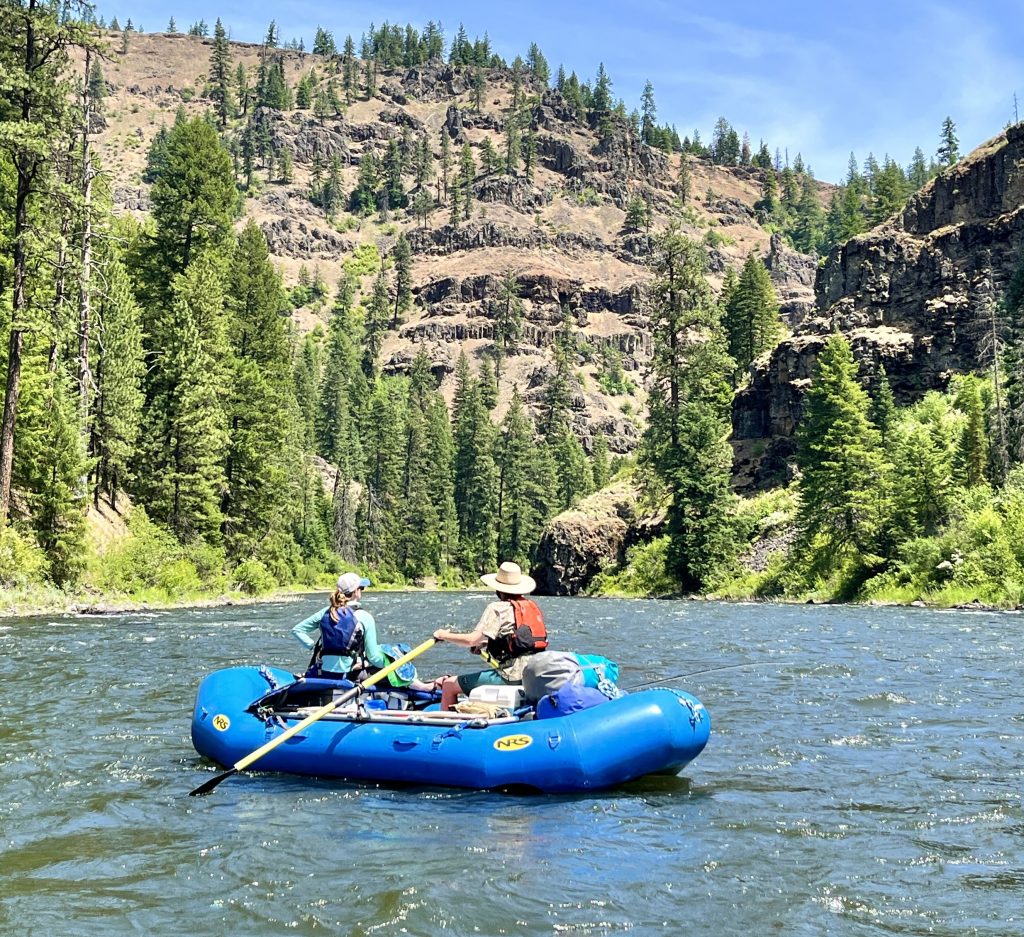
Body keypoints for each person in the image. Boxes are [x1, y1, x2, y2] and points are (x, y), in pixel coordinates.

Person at [432, 561, 548, 710]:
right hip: (535, 674)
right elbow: (520, 641)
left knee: (449, 685)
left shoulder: (497, 608)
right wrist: (485, 645)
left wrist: (443, 634)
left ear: (498, 589)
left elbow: (470, 640)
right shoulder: (532, 607)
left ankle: (446, 729)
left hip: (511, 676)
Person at [291, 573, 387, 680]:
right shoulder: (364, 617)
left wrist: (313, 647)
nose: (362, 591)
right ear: (355, 591)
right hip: (351, 674)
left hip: (324, 671)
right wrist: (390, 663)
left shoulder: (326, 612)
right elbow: (374, 657)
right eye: (361, 588)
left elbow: (297, 630)